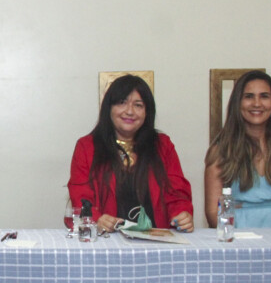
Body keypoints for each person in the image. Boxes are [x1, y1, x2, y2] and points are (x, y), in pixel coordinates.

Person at [68, 74, 194, 233]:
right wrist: (96, 219)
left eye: (138, 105)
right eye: (122, 103)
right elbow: (81, 197)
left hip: (155, 239)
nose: (129, 111)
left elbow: (177, 193)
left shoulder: (163, 145)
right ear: (108, 108)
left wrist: (182, 214)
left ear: (147, 112)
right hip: (109, 238)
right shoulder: (87, 147)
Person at [204, 70, 271, 227]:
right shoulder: (220, 151)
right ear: (238, 102)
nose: (256, 103)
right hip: (237, 235)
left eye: (264, 96)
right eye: (249, 96)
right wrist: (232, 238)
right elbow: (213, 211)